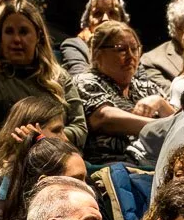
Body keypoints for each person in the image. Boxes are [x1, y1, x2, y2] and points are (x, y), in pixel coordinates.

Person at [0, 0, 77, 159]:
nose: (17, 39)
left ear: (38, 35)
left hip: (59, 158)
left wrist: (48, 138)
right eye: (9, 32)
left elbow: (79, 125)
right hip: (4, 160)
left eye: (24, 32)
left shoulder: (59, 77)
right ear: (0, 36)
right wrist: (15, 138)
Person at [69, 19, 169, 168]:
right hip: (114, 168)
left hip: (157, 165)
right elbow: (105, 118)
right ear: (97, 53)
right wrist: (163, 127)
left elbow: (179, 122)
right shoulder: (85, 81)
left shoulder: (147, 87)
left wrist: (161, 102)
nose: (131, 56)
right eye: (121, 49)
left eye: (135, 49)